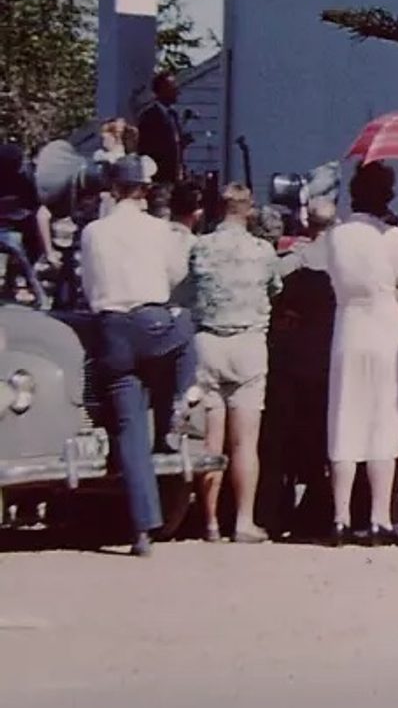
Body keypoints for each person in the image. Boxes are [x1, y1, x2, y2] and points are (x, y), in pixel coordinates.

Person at [80, 155, 195, 556]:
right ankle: (181, 400)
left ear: (112, 189)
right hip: (152, 322)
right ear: (143, 191)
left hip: (112, 328)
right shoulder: (158, 229)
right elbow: (177, 274)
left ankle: (142, 528)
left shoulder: (94, 232)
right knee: (185, 327)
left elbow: (89, 283)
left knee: (129, 428)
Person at [322, 162, 398, 545]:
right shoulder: (392, 235)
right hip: (385, 328)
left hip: (349, 324)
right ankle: (380, 516)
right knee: (383, 420)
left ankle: (341, 517)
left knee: (344, 418)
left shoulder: (337, 236)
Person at [186, 183, 281, 543]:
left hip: (209, 341)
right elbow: (274, 289)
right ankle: (243, 520)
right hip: (248, 343)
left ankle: (209, 521)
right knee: (245, 442)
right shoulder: (262, 251)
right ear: (249, 209)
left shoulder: (202, 246)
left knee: (212, 440)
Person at [258, 199, 335, 539]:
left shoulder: (291, 263)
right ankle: (319, 509)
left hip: (290, 359)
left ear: (307, 223)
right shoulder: (344, 264)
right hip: (328, 360)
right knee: (321, 440)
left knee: (280, 440)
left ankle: (274, 509)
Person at [0, 143, 46, 307]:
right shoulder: (23, 181)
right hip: (13, 230)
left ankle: (12, 280)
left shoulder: (22, 180)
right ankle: (26, 279)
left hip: (8, 229)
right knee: (35, 239)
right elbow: (34, 206)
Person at [136, 71, 189, 185]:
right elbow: (146, 149)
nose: (177, 91)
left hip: (175, 177)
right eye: (172, 87)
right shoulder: (149, 116)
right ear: (162, 89)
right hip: (159, 179)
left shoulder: (173, 115)